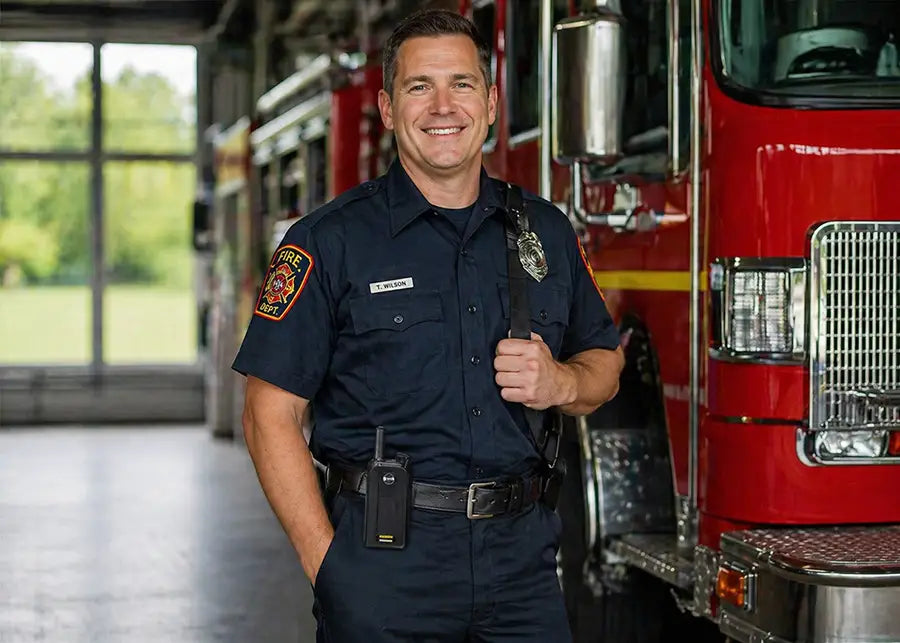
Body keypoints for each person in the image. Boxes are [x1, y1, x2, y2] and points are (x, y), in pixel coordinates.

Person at [232, 9, 624, 642]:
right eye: (420, 87)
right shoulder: (327, 243)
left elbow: (604, 365)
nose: (444, 106)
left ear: (492, 103)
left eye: (462, 85)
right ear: (388, 108)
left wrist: (560, 383)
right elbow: (267, 414)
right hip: (386, 568)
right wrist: (328, 567)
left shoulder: (545, 232)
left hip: (522, 571)